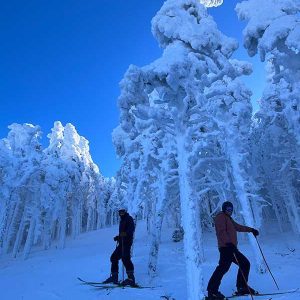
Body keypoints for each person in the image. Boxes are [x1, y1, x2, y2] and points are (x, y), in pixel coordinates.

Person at [206, 201, 259, 300]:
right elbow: (221, 231)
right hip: (226, 248)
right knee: (223, 268)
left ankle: (242, 287)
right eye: (227, 209)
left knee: (244, 264)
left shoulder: (228, 218)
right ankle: (212, 292)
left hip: (231, 248)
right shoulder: (220, 217)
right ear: (224, 209)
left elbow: (238, 227)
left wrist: (251, 230)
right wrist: (228, 243)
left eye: (231, 209)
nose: (229, 211)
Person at [103, 208, 136, 286]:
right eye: (119, 212)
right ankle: (114, 277)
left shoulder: (129, 219)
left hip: (127, 243)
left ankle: (131, 279)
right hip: (122, 243)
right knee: (113, 258)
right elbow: (124, 232)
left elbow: (130, 231)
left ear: (125, 211)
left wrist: (121, 235)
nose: (121, 213)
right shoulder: (122, 220)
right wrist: (118, 237)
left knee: (126, 259)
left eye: (122, 212)